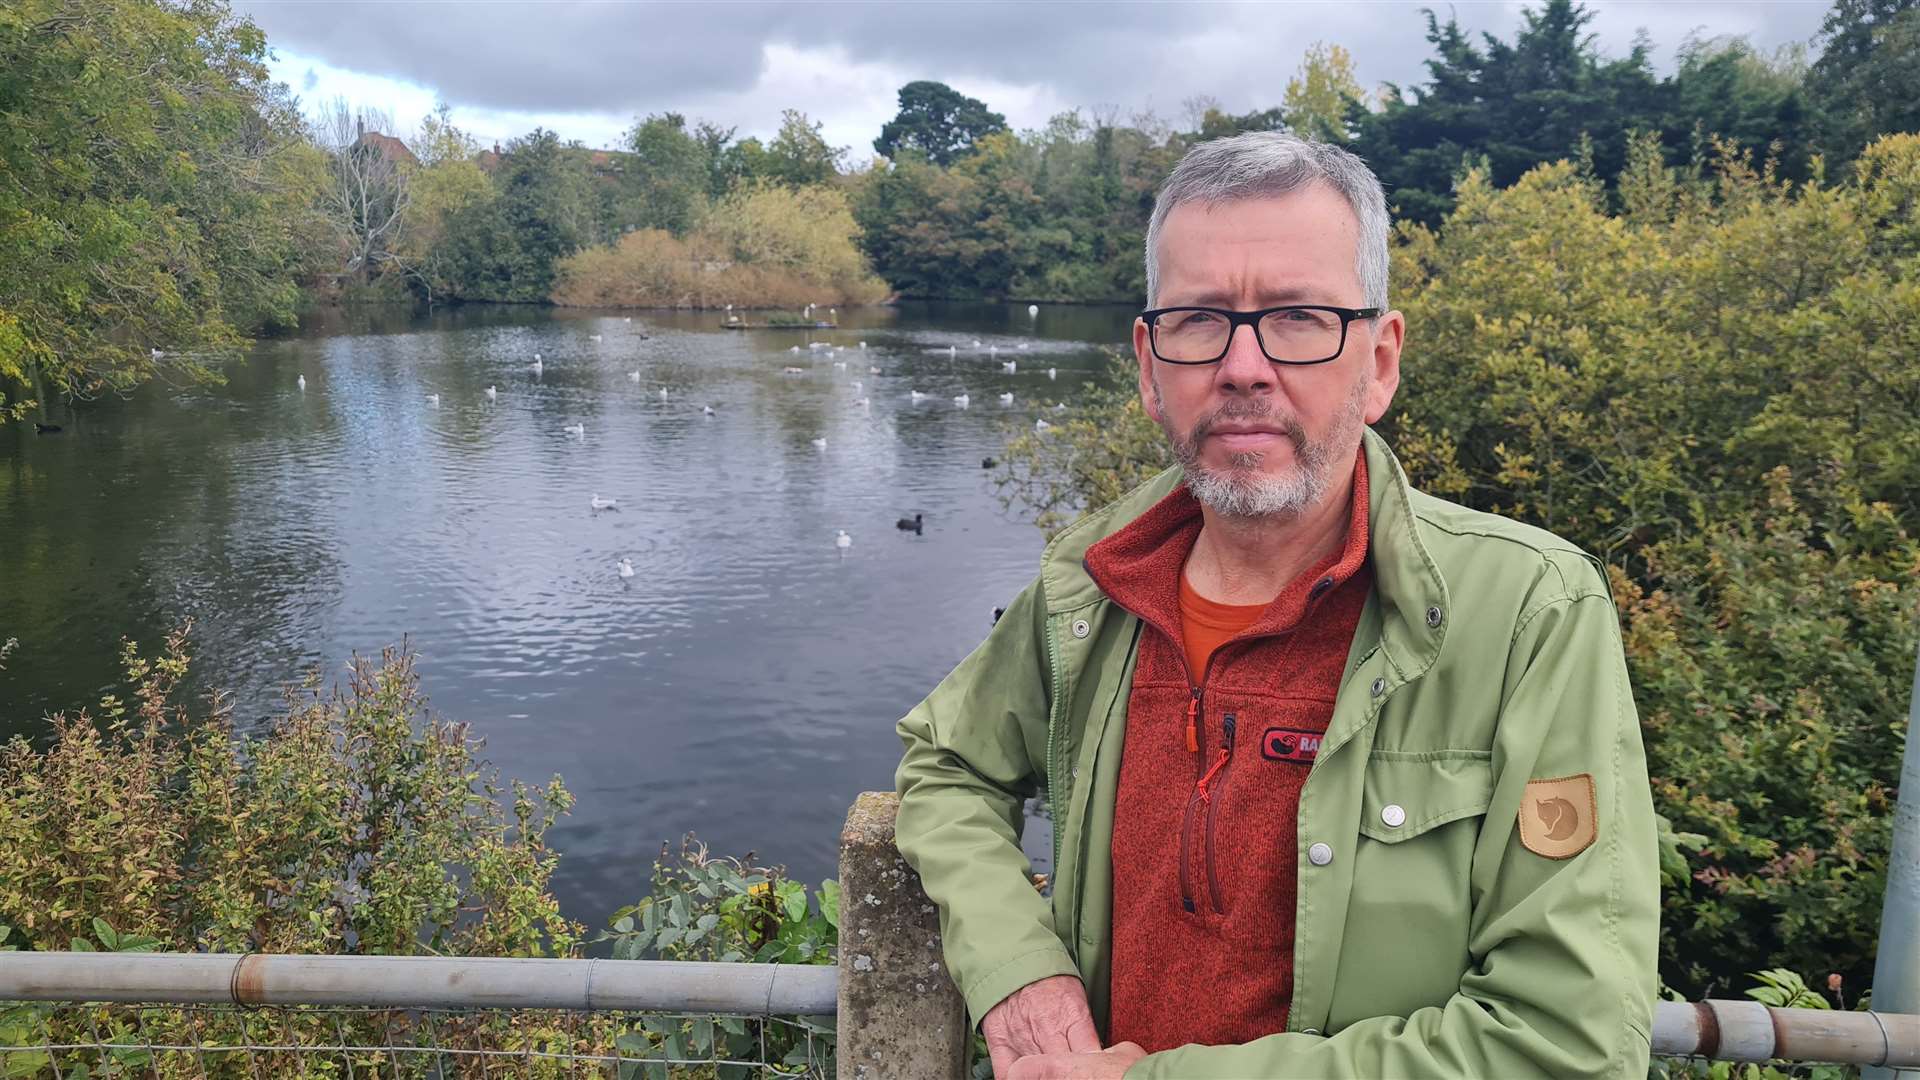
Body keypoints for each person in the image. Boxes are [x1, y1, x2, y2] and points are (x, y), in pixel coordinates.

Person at [893, 131, 1659, 1079]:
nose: (1243, 367)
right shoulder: (1093, 587)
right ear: (1148, 364)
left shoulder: (1529, 616)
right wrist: (1015, 967)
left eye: (1298, 317)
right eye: (1200, 319)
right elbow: (948, 766)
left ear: (1378, 361)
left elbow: (1564, 1046)